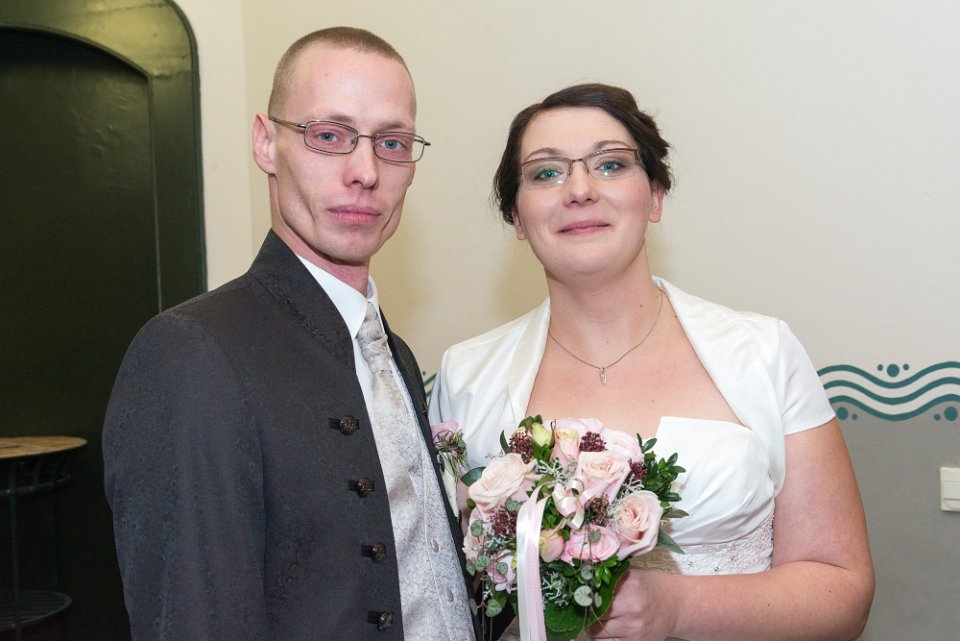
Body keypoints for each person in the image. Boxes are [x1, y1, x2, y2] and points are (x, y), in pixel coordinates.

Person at [428, 83, 874, 641]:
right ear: (517, 217)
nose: (580, 190)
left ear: (656, 196)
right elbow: (447, 594)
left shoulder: (764, 352)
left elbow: (844, 592)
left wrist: (676, 607)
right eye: (546, 173)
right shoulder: (466, 376)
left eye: (610, 165)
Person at [104, 27, 476, 641]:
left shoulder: (395, 355)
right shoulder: (191, 352)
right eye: (328, 135)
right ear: (265, 143)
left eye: (392, 143)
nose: (365, 172)